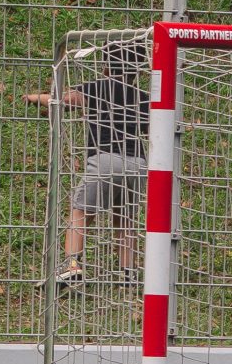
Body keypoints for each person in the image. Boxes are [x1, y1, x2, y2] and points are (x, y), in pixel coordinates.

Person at [23, 42, 149, 290]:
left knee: (80, 210)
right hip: (138, 164)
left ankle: (72, 266)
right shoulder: (143, 98)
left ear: (104, 67)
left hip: (104, 160)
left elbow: (63, 99)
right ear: (139, 71)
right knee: (125, 219)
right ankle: (129, 274)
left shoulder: (96, 87)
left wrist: (34, 98)